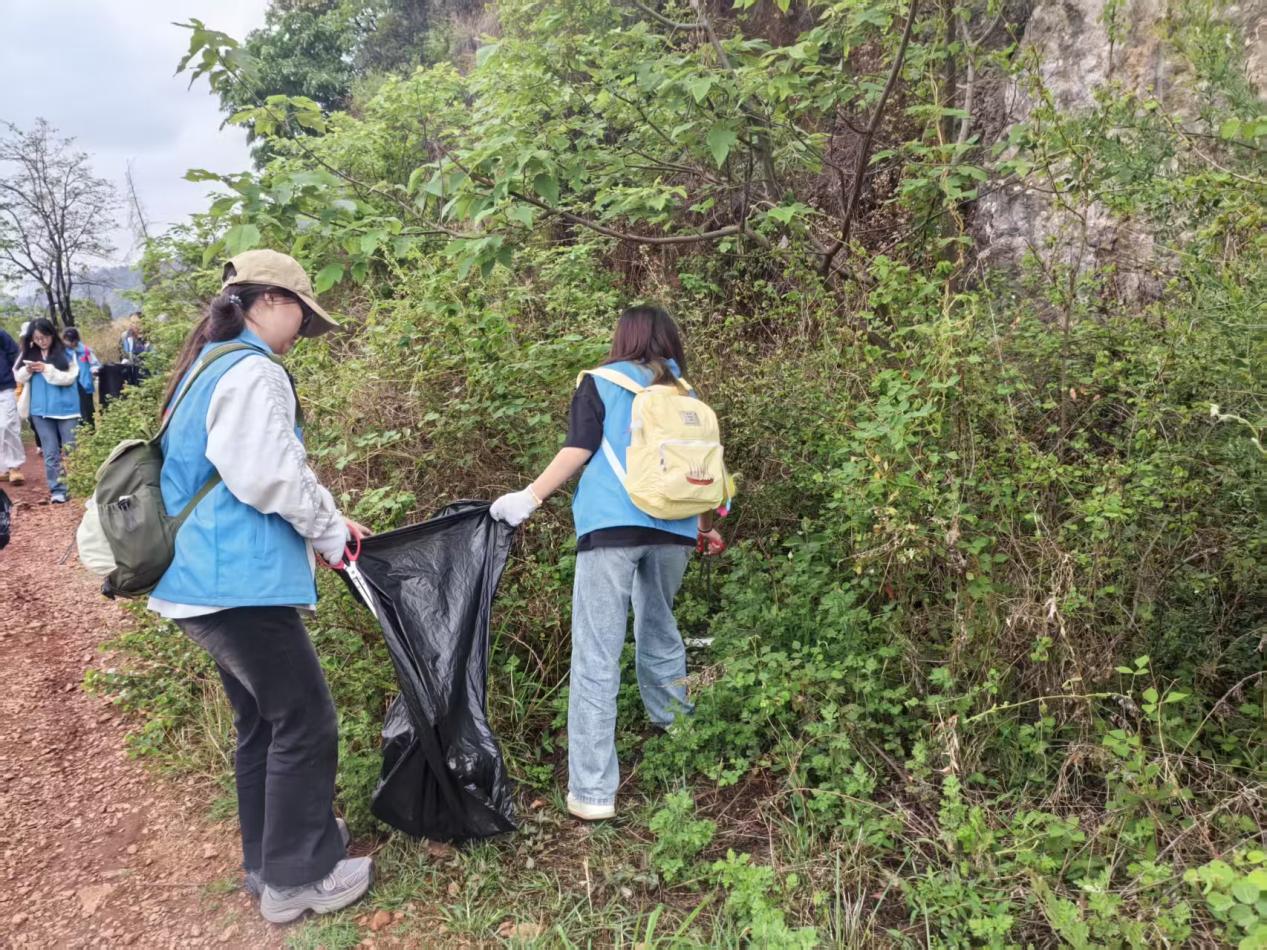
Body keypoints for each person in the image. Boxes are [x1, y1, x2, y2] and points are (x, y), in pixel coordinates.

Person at [147, 250, 373, 923]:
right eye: (302, 313)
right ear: (270, 299)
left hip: (202, 581)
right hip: (235, 583)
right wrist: (330, 535)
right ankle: (298, 881)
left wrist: (329, 520)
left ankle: (265, 863)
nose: (302, 329)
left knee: (262, 724)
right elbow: (269, 475)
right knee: (305, 720)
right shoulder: (252, 371)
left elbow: (251, 471)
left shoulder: (207, 366)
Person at [490, 304, 723, 821]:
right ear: (669, 340)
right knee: (661, 632)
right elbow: (701, 468)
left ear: (624, 337)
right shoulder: (686, 395)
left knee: (597, 656)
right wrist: (706, 529)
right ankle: (681, 741)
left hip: (611, 528)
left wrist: (527, 498)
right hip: (677, 532)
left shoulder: (601, 381)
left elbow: (578, 449)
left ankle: (594, 793)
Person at [14, 319, 80, 503]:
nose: (41, 341)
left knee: (71, 450)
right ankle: (58, 490)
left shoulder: (67, 353)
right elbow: (18, 375)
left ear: (52, 334)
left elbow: (69, 377)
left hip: (67, 410)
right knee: (50, 452)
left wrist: (46, 369)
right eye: (36, 338)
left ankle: (77, 486)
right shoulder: (29, 353)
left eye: (44, 337)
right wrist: (28, 370)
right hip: (40, 411)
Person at [61, 327, 100, 428]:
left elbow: (95, 363)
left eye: (70, 341)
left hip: (85, 385)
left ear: (76, 340)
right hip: (71, 388)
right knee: (77, 413)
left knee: (88, 411)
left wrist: (94, 370)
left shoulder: (85, 351)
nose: (68, 344)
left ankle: (91, 431)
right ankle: (81, 433)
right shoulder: (62, 353)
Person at [0, 325, 24, 484]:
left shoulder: (1, 334)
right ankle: (3, 468)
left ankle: (15, 466)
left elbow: (15, 355)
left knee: (7, 425)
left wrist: (14, 376)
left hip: (6, 386)